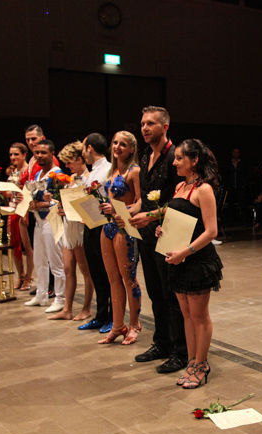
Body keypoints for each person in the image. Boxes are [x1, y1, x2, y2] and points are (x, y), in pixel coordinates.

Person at [154, 139, 223, 388]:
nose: (174, 162)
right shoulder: (180, 186)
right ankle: (192, 362)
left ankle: (201, 365)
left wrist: (185, 251)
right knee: (186, 316)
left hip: (197, 261)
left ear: (194, 161)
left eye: (179, 158)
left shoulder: (204, 189)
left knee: (199, 316)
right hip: (179, 261)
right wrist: (163, 230)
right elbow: (179, 221)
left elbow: (211, 231)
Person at [128, 107, 188, 372]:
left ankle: (181, 351)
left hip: (170, 233)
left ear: (165, 127)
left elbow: (181, 200)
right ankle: (162, 342)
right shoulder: (145, 157)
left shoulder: (175, 158)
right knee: (155, 292)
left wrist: (151, 215)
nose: (144, 128)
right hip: (147, 234)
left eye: (150, 123)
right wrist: (128, 213)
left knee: (172, 294)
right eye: (142, 123)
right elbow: (142, 198)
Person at [97, 131, 141, 345]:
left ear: (131, 149)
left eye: (123, 144)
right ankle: (117, 326)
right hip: (107, 227)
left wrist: (121, 210)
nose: (117, 147)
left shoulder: (135, 171)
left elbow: (141, 202)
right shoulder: (112, 171)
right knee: (113, 279)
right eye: (115, 143)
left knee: (129, 278)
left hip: (124, 227)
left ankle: (134, 325)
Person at [48, 141, 94, 321]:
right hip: (68, 227)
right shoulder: (70, 180)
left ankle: (87, 308)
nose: (67, 166)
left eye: (69, 162)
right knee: (68, 268)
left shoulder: (89, 178)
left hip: (80, 227)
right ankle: (67, 309)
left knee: (85, 270)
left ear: (80, 159)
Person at [23, 140, 66, 313]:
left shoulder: (58, 175)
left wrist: (39, 204)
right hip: (38, 221)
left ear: (52, 154)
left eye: (43, 153)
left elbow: (59, 201)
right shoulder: (37, 174)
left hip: (52, 220)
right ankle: (41, 294)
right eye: (37, 153)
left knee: (56, 261)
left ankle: (60, 298)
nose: (39, 156)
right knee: (39, 259)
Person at [78, 133, 113, 332]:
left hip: (103, 225)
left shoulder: (107, 169)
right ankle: (100, 316)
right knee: (95, 272)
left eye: (84, 149)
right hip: (90, 224)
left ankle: (112, 317)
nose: (83, 153)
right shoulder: (92, 171)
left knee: (107, 273)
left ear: (90, 148)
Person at [6, 142, 32, 290]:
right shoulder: (13, 172)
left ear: (24, 154)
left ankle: (29, 277)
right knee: (14, 243)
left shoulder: (29, 170)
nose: (13, 157)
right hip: (13, 209)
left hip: (25, 209)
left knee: (27, 246)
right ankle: (20, 276)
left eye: (16, 154)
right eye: (11, 154)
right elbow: (9, 193)